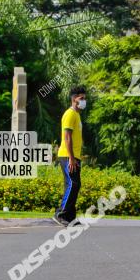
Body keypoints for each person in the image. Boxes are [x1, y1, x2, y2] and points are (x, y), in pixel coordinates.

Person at [54, 86, 86, 226]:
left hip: (74, 156)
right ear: (74, 99)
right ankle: (60, 214)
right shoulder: (70, 114)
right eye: (81, 98)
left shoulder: (77, 115)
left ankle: (70, 217)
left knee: (75, 185)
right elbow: (67, 137)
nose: (84, 101)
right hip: (67, 156)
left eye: (84, 98)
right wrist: (72, 158)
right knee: (72, 184)